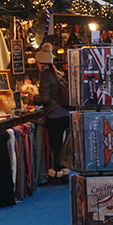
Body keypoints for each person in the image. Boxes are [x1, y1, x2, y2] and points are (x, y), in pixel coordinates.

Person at [29, 42, 69, 181]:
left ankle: (57, 173)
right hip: (64, 113)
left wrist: (33, 98)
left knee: (55, 145)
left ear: (40, 63)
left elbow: (45, 99)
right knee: (62, 144)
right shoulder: (56, 73)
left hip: (55, 114)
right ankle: (63, 170)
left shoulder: (46, 76)